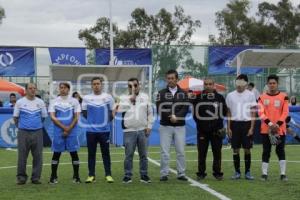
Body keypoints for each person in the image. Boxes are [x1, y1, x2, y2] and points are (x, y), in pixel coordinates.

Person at [117, 78, 154, 184]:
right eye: (130, 86)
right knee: (128, 155)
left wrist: (149, 126)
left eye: (135, 85)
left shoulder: (145, 97)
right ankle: (127, 176)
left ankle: (144, 175)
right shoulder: (123, 98)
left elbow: (150, 113)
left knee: (144, 155)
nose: (133, 87)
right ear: (128, 87)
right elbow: (119, 110)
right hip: (129, 131)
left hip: (143, 130)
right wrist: (130, 99)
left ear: (139, 85)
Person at [156, 69, 189, 182]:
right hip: (165, 126)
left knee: (180, 151)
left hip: (180, 126)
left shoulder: (183, 93)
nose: (170, 80)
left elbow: (185, 108)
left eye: (172, 78)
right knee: (165, 152)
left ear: (177, 79)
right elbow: (160, 109)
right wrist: (172, 116)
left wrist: (177, 117)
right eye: (168, 78)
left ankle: (181, 173)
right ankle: (164, 174)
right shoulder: (161, 93)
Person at [191, 78, 227, 180]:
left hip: (217, 131)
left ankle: (217, 173)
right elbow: (195, 114)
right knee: (202, 153)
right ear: (203, 85)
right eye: (206, 84)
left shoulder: (220, 97)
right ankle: (201, 173)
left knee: (217, 153)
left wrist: (217, 124)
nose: (208, 86)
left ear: (213, 85)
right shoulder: (198, 98)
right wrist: (202, 125)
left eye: (210, 84)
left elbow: (224, 112)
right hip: (202, 131)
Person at [13, 83, 48, 185]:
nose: (32, 90)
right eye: (30, 88)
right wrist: (22, 127)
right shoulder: (20, 102)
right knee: (22, 156)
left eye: (34, 88)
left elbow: (43, 117)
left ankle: (36, 178)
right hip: (23, 132)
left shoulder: (40, 102)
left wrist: (35, 126)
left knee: (38, 156)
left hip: (37, 132)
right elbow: (15, 118)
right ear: (26, 90)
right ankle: (21, 178)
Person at [82, 77, 115, 183]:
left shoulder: (108, 97)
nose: (96, 86)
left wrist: (105, 122)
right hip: (91, 131)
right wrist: (93, 122)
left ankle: (108, 175)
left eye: (98, 84)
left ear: (101, 85)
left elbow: (112, 112)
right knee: (91, 154)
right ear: (92, 86)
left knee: (106, 153)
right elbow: (85, 113)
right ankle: (91, 175)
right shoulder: (86, 98)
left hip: (104, 131)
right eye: (94, 84)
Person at [48, 82, 81, 184]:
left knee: (74, 153)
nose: (62, 89)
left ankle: (76, 177)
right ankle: (53, 177)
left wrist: (68, 129)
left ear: (68, 89)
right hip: (59, 132)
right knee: (56, 154)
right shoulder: (54, 101)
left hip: (72, 132)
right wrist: (64, 128)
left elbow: (76, 117)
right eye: (61, 87)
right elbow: (53, 117)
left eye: (64, 88)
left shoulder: (74, 101)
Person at [258, 75, 289, 181]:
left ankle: (283, 174)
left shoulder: (284, 96)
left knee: (280, 150)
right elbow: (260, 113)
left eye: (274, 83)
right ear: (267, 84)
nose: (272, 85)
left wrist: (278, 125)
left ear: (277, 84)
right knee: (266, 151)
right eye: (270, 83)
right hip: (266, 129)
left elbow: (285, 113)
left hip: (280, 129)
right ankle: (264, 174)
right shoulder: (261, 97)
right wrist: (271, 125)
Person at [226, 74, 256, 180]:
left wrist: (252, 128)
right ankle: (237, 172)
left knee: (247, 149)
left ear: (246, 83)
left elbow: (253, 113)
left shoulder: (250, 95)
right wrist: (228, 127)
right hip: (234, 124)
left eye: (242, 82)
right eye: (237, 82)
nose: (239, 85)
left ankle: (247, 172)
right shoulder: (230, 95)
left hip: (247, 124)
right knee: (235, 149)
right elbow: (228, 113)